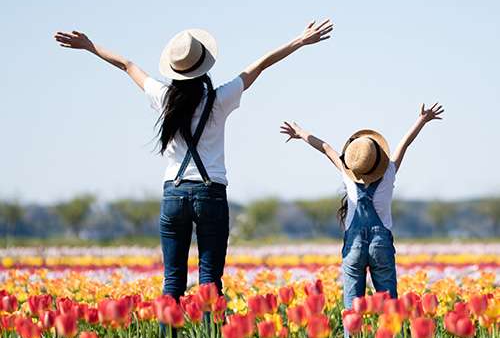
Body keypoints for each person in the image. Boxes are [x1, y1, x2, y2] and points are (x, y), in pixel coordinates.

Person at [54, 19, 333, 301]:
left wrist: (90, 47)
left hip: (173, 193)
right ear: (204, 68)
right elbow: (259, 65)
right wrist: (299, 40)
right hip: (210, 192)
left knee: (172, 282)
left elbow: (127, 64)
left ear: (174, 70)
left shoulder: (164, 97)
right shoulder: (221, 98)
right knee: (210, 282)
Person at [280, 103, 444, 310]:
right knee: (390, 307)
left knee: (352, 306)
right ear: (379, 158)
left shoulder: (347, 176)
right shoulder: (389, 172)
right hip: (381, 245)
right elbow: (405, 143)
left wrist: (300, 133)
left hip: (354, 244)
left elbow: (325, 148)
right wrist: (422, 120)